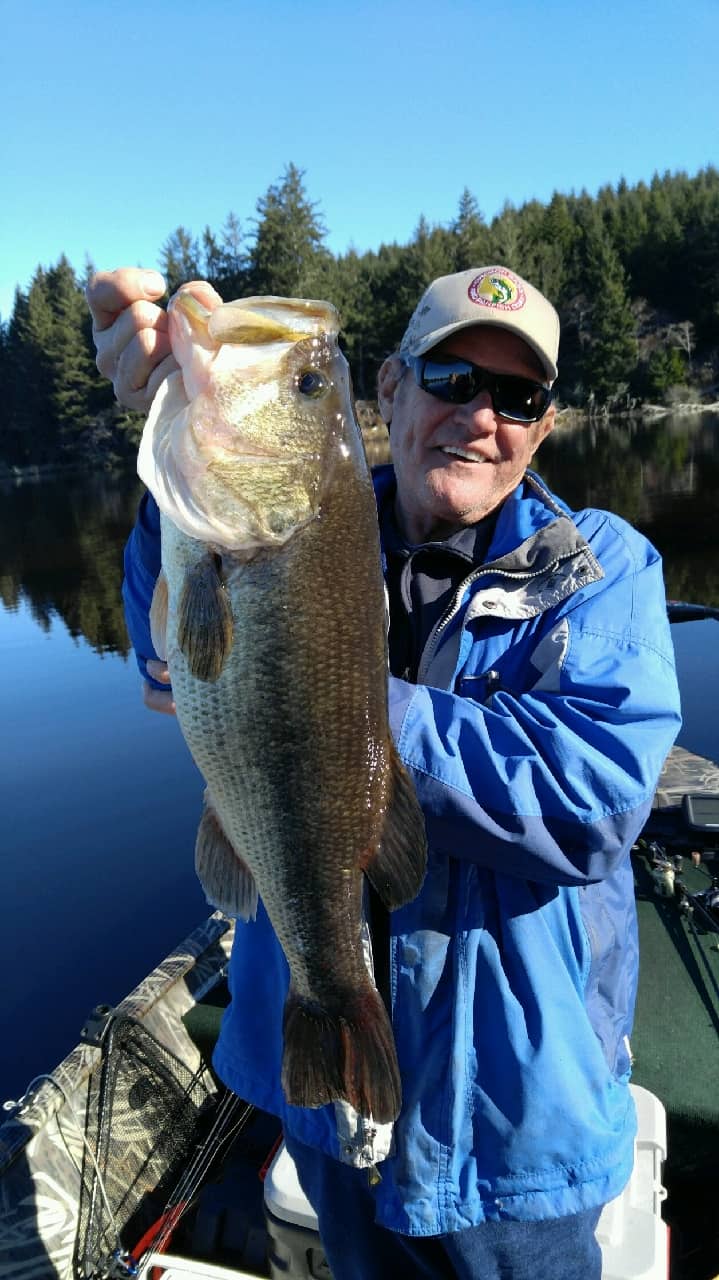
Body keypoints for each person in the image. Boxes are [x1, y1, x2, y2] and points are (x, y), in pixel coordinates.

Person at [88, 263, 681, 1280]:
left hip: (516, 1125)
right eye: (450, 377)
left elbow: (591, 802)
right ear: (391, 392)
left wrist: (345, 706)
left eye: (516, 395)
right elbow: (171, 657)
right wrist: (170, 428)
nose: (478, 415)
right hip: (329, 1118)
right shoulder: (287, 519)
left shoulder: (602, 567)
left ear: (541, 427)